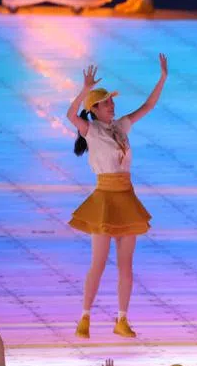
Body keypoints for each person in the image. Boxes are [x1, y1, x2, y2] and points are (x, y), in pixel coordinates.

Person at [67, 58, 168, 339]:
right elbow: (71, 115)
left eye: (112, 101)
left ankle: (122, 319)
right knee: (98, 263)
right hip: (104, 199)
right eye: (107, 103)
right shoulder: (92, 130)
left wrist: (162, 79)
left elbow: (147, 107)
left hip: (126, 198)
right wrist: (84, 89)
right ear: (95, 109)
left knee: (126, 265)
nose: (112, 106)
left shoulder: (120, 127)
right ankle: (85, 316)